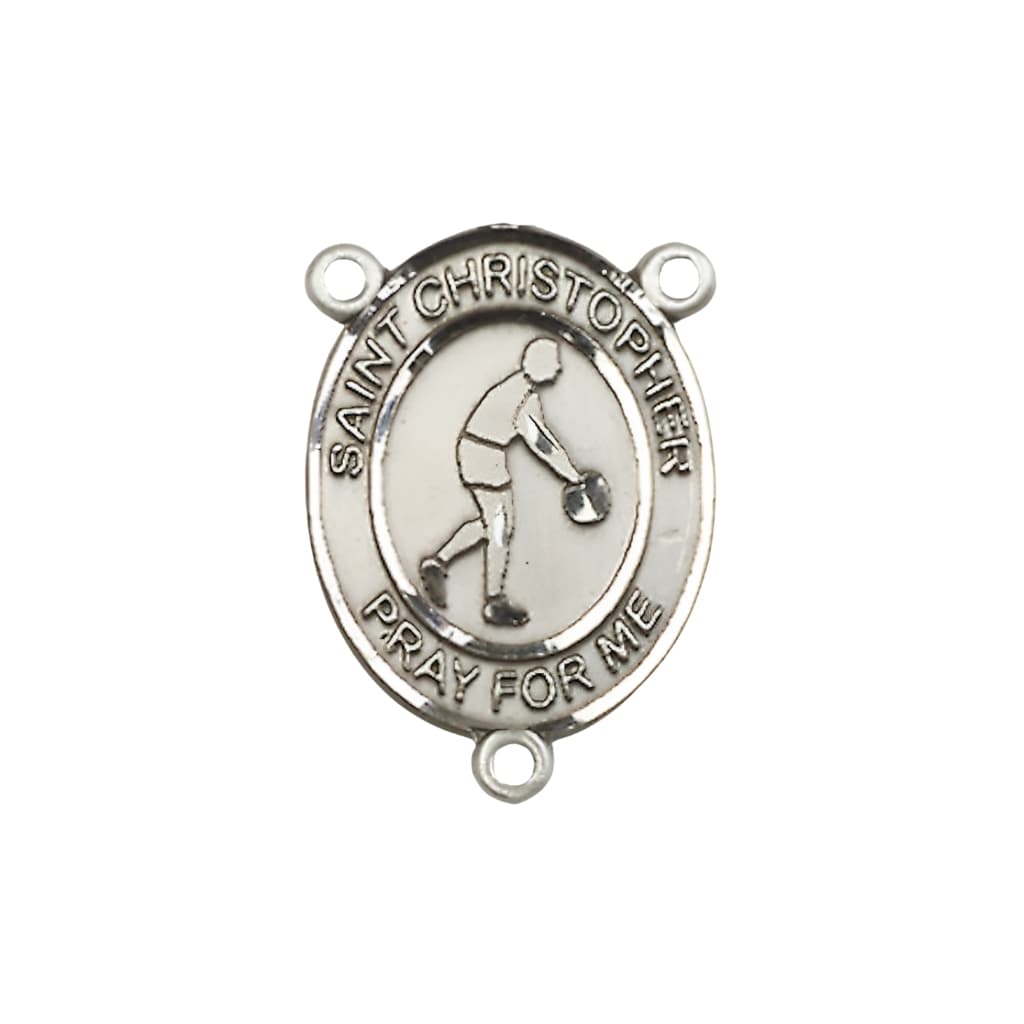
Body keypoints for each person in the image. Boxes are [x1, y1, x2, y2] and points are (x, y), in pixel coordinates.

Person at [420, 337, 582, 626]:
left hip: (481, 452)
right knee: (499, 528)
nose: (559, 369)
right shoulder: (524, 399)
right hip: (484, 454)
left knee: (492, 525)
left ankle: (439, 561)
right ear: (540, 365)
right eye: (554, 362)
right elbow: (542, 445)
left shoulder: (518, 388)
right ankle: (494, 601)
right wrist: (573, 477)